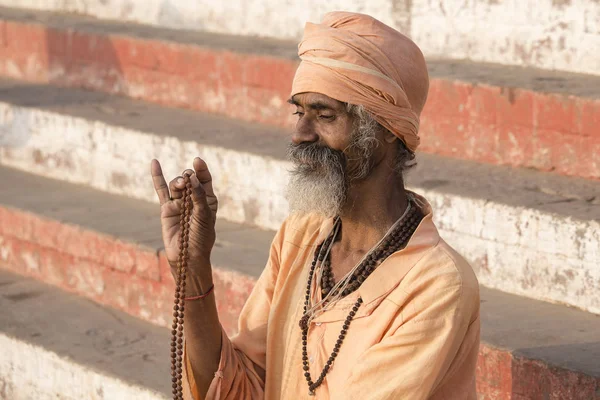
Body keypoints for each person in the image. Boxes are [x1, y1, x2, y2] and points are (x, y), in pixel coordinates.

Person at [150, 11, 480, 400]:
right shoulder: (302, 234)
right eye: (299, 112)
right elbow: (238, 389)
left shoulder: (436, 285)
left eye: (324, 115)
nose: (300, 134)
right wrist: (192, 270)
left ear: (387, 129)